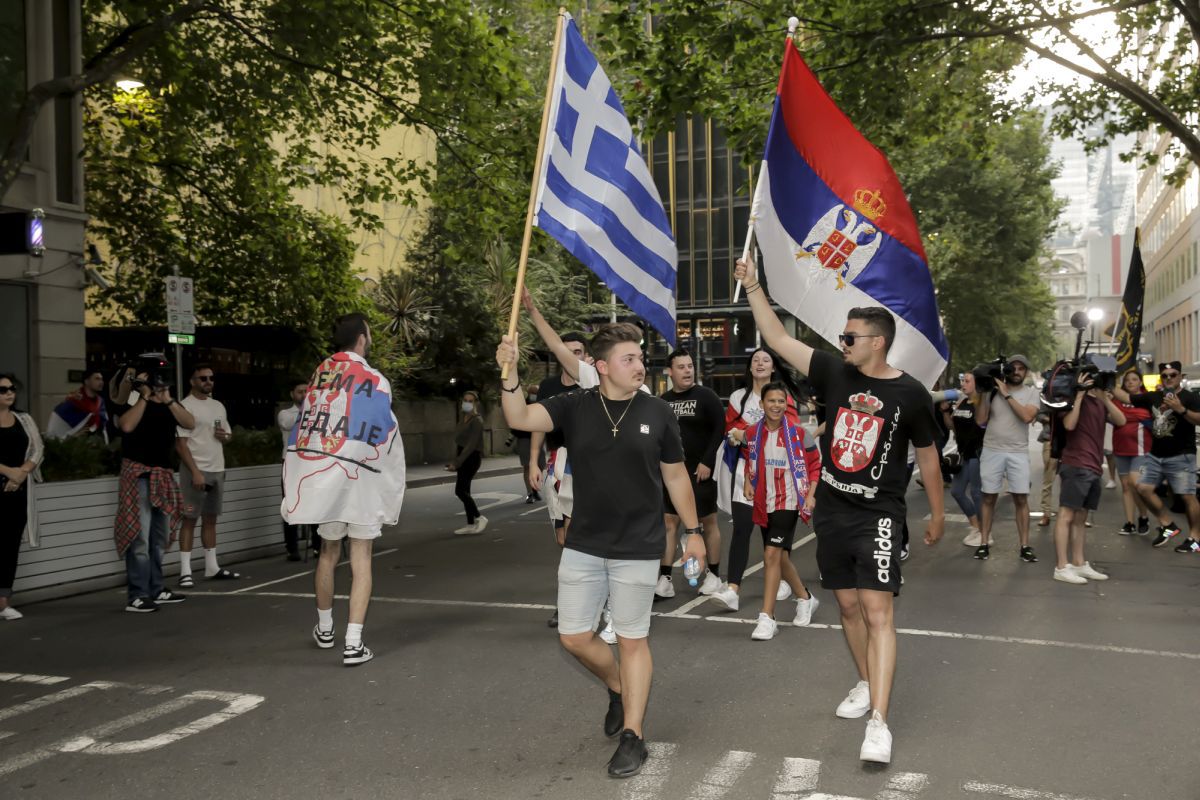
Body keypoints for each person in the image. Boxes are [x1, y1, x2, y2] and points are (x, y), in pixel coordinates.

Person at [736, 255, 944, 766]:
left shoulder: (911, 394)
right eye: (843, 337)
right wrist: (755, 286)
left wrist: (936, 513)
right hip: (830, 510)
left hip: (878, 516)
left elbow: (927, 456)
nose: (842, 344)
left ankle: (879, 722)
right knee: (847, 608)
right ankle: (865, 681)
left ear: (877, 342)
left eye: (850, 337)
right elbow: (780, 340)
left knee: (878, 613)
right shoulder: (833, 372)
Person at [496, 322, 705, 779]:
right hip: (585, 542)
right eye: (629, 359)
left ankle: (634, 735)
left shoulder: (657, 411)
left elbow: (675, 476)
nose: (639, 366)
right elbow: (519, 418)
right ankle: (617, 688)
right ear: (603, 367)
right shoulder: (575, 407)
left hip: (639, 545)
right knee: (572, 637)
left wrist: (693, 532)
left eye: (640, 358)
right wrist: (508, 375)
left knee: (632, 639)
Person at [283, 313, 406, 666]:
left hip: (325, 479)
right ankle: (354, 642)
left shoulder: (319, 376)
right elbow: (383, 429)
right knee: (362, 559)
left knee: (328, 553)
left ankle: (325, 629)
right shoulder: (374, 379)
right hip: (360, 482)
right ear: (362, 339)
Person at [709, 348, 803, 613]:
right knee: (742, 527)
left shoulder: (783, 397)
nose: (760, 364)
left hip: (777, 473)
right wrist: (736, 435)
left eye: (766, 360)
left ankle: (784, 580)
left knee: (771, 533)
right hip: (744, 470)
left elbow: (790, 431)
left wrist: (746, 433)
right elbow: (730, 431)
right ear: (749, 368)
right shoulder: (739, 397)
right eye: (755, 360)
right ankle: (732, 590)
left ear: (773, 368)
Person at [112, 363, 195, 612]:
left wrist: (167, 399)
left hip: (163, 475)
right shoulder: (133, 400)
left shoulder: (170, 404)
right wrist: (145, 396)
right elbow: (126, 426)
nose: (161, 383)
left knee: (158, 539)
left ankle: (156, 589)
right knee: (139, 537)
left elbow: (189, 422)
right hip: (138, 475)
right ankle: (137, 595)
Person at [742, 381, 821, 640]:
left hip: (789, 501)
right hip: (765, 502)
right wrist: (747, 481)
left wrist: (810, 495)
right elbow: (749, 457)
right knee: (780, 558)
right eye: (771, 400)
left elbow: (814, 466)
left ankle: (767, 617)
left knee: (771, 554)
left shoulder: (799, 434)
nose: (776, 405)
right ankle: (805, 597)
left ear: (786, 405)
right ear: (762, 404)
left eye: (780, 401)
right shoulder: (753, 432)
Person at [657, 348, 726, 598]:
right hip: (672, 473)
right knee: (669, 523)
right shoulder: (662, 401)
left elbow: (721, 428)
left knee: (707, 523)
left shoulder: (706, 396)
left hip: (700, 472)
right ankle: (664, 579)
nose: (687, 371)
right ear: (670, 371)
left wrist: (708, 461)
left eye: (689, 366)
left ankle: (715, 575)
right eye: (681, 367)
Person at [1112, 361, 1200, 552]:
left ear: (1181, 376)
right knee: (1142, 488)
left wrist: (1181, 409)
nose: (1169, 378)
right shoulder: (1153, 397)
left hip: (1182, 455)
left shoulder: (1189, 397)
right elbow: (1127, 396)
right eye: (1165, 375)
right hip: (1156, 455)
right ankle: (1168, 524)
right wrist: (1106, 381)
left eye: (1173, 374)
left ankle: (1195, 539)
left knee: (1187, 496)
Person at [1047, 372, 1127, 583]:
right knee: (1066, 515)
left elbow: (1121, 420)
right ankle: (1062, 566)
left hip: (1093, 467)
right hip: (1075, 464)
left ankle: (1080, 563)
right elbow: (1069, 425)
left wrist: (1104, 399)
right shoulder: (1070, 399)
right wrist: (1080, 395)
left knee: (1081, 519)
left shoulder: (1100, 402)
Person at [175, 364, 239, 586]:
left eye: (211, 378)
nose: (208, 382)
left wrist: (225, 436)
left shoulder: (218, 405)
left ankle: (212, 567)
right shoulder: (184, 406)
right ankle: (185, 571)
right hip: (196, 469)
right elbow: (181, 444)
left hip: (217, 468)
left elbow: (227, 434)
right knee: (190, 518)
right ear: (192, 381)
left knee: (211, 518)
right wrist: (194, 472)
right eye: (202, 378)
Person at [974, 356, 1040, 562]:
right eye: (1014, 368)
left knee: (1020, 498)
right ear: (1007, 370)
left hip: (1018, 452)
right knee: (988, 496)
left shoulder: (1032, 393)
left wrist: (1007, 395)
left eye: (1022, 369)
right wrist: (985, 393)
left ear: (1026, 373)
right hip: (992, 449)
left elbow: (1027, 417)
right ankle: (984, 542)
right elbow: (980, 420)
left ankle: (1025, 546)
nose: (1017, 372)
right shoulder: (992, 392)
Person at [0, 375, 44, 620]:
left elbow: (38, 449)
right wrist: (9, 471)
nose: (9, 393)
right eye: (3, 389)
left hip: (17, 492)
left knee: (9, 547)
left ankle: (3, 602)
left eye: (12, 389)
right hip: (8, 480)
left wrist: (22, 473)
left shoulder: (23, 419)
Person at [945, 373, 985, 546]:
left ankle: (985, 533)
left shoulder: (982, 404)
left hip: (977, 453)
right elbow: (952, 426)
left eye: (967, 381)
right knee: (957, 491)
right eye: (962, 380)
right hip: (963, 454)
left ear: (977, 384)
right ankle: (976, 527)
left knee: (976, 493)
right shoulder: (961, 402)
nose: (963, 384)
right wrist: (945, 411)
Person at [277, 379, 315, 561]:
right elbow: (289, 424)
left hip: (310, 461)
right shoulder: (286, 413)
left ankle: (317, 544)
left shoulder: (315, 413)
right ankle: (292, 548)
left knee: (315, 503)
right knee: (290, 505)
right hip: (291, 463)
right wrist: (306, 409)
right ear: (292, 394)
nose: (304, 394)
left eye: (306, 391)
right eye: (300, 392)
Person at [1111, 369, 1152, 536]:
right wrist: (1126, 415)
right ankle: (1129, 523)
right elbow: (1112, 416)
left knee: (1137, 485)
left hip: (1141, 449)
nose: (1130, 382)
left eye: (1134, 379)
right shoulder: (1116, 399)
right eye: (1127, 380)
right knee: (1126, 487)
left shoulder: (1146, 398)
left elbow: (1143, 414)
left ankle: (1143, 517)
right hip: (1120, 448)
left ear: (1140, 382)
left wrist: (1124, 415)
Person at [448, 390, 486, 535]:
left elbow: (471, 445)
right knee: (466, 490)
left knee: (460, 491)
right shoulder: (463, 418)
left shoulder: (477, 420)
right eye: (465, 400)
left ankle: (479, 517)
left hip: (471, 457)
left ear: (476, 403)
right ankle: (470, 524)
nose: (467, 403)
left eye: (470, 401)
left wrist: (457, 463)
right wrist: (455, 460)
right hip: (462, 455)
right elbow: (459, 440)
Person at [45, 369, 109, 441]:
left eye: (101, 379)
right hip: (74, 447)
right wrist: (72, 435)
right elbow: (56, 427)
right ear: (87, 381)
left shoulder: (100, 403)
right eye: (97, 379)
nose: (101, 382)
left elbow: (103, 427)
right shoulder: (72, 402)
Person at [516, 385, 545, 504]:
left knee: (541, 464)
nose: (534, 394)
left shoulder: (541, 404)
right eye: (532, 392)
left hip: (538, 439)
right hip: (524, 439)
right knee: (528, 466)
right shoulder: (523, 406)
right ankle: (530, 493)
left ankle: (535, 489)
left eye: (536, 392)